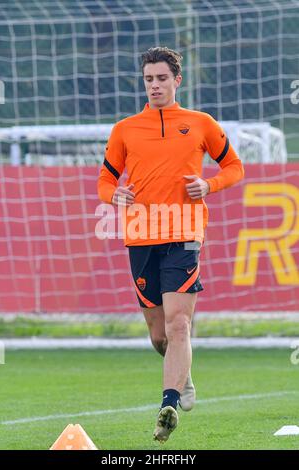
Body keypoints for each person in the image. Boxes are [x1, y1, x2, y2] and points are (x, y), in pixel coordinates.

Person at [98, 46, 244, 443]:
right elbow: (105, 181)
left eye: (162, 78)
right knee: (160, 335)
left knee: (180, 323)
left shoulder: (200, 123)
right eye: (149, 79)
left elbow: (234, 167)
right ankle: (183, 376)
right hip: (141, 234)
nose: (155, 85)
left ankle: (168, 404)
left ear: (177, 80)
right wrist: (114, 195)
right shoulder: (125, 129)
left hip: (185, 232)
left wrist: (208, 184)